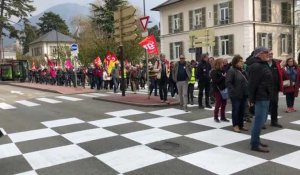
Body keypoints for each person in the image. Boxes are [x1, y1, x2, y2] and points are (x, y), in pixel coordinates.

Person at [247, 47, 273, 153]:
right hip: (260, 97)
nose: (268, 54)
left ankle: (256, 140)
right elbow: (252, 84)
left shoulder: (262, 64)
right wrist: (251, 99)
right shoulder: (256, 66)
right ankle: (254, 144)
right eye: (265, 52)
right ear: (258, 54)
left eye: (268, 52)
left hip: (265, 95)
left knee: (261, 120)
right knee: (259, 121)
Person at [226, 55, 248, 132]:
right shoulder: (231, 71)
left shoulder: (242, 70)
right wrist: (234, 91)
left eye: (242, 61)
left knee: (242, 110)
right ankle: (235, 125)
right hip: (236, 95)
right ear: (235, 62)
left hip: (243, 94)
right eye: (240, 61)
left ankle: (241, 125)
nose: (242, 63)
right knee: (236, 110)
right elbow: (228, 83)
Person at [267, 51, 284, 127]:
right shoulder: (262, 64)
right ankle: (261, 122)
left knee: (274, 105)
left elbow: (280, 74)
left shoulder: (276, 64)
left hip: (274, 88)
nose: (270, 55)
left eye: (272, 54)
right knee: (265, 105)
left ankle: (274, 121)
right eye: (269, 54)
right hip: (264, 89)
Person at [210, 58, 229, 122]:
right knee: (218, 103)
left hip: (224, 89)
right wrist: (223, 77)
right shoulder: (214, 71)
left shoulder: (223, 70)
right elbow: (215, 81)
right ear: (218, 64)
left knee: (224, 103)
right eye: (222, 63)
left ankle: (223, 117)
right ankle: (216, 117)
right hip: (217, 90)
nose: (223, 64)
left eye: (223, 63)